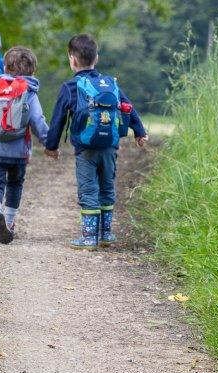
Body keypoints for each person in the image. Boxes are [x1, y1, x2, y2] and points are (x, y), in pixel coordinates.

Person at [43, 34, 149, 251]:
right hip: (110, 147)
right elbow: (128, 107)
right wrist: (139, 132)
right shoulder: (110, 84)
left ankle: (89, 237)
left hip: (86, 150)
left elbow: (58, 120)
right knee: (107, 187)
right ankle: (106, 234)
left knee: (88, 189)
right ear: (96, 58)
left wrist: (51, 146)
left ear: (72, 59)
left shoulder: (70, 87)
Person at [0, 46, 51, 244]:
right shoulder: (29, 91)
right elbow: (37, 121)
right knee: (15, 184)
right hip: (18, 152)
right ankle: (8, 224)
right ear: (32, 71)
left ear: (4, 67)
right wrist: (49, 143)